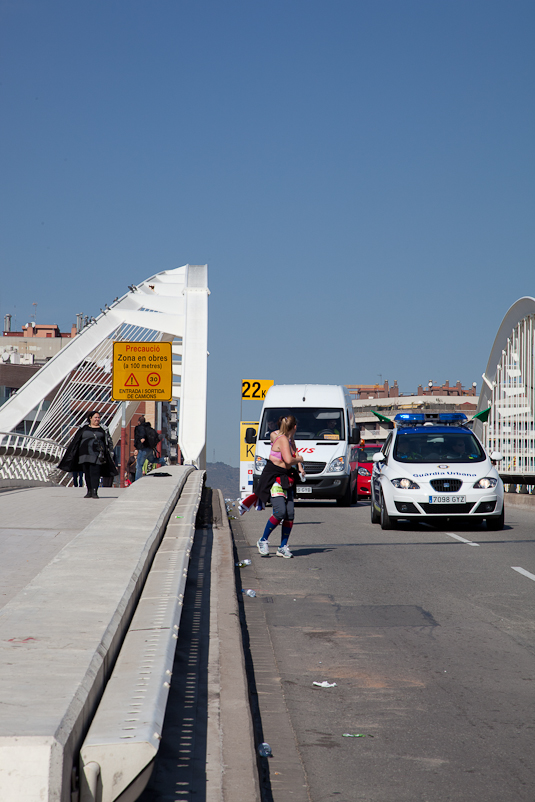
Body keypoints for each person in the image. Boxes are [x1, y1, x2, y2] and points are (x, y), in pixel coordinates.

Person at [255, 415, 304, 558]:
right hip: (275, 479)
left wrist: (300, 466)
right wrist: (300, 459)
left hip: (286, 478)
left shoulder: (289, 439)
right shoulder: (281, 438)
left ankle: (283, 547)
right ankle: (263, 540)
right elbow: (289, 459)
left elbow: (293, 453)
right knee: (280, 512)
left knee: (290, 514)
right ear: (294, 427)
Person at [58, 410, 118, 498]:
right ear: (90, 418)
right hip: (84, 455)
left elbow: (109, 442)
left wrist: (110, 453)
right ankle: (89, 491)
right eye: (95, 417)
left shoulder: (103, 429)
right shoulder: (83, 428)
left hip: (97, 455)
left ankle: (94, 491)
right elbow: (76, 441)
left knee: (95, 473)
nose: (97, 419)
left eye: (99, 417)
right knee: (87, 473)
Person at [134, 416, 160, 480]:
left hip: (143, 449)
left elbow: (142, 434)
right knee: (152, 460)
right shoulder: (149, 428)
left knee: (139, 465)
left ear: (139, 422)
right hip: (150, 449)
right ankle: (163, 460)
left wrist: (142, 439)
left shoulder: (140, 427)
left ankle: (137, 480)